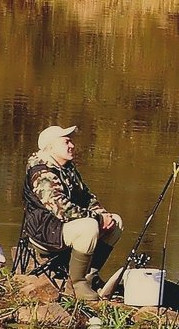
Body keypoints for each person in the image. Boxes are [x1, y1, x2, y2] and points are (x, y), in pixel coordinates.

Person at [23, 125, 123, 301]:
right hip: (45, 230)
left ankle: (91, 274)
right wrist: (97, 219)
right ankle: (76, 283)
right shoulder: (42, 173)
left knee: (116, 222)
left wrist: (103, 215)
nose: (72, 145)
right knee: (90, 226)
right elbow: (62, 210)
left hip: (64, 226)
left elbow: (86, 198)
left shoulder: (67, 168)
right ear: (51, 147)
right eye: (66, 142)